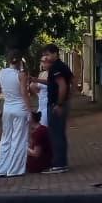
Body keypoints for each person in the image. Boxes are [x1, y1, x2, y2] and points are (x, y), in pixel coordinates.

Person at [0, 50, 31, 177]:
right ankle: (14, 170)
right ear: (20, 61)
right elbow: (24, 93)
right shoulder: (21, 75)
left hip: (7, 108)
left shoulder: (1, 73)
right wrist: (29, 111)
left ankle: (1, 169)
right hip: (20, 107)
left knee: (6, 138)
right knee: (19, 139)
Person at [41, 44, 74, 173]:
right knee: (59, 133)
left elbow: (62, 85)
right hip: (61, 103)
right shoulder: (63, 66)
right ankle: (61, 162)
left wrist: (59, 104)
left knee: (56, 134)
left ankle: (59, 164)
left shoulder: (56, 67)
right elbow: (72, 81)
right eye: (45, 55)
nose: (46, 57)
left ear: (55, 53)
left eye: (48, 54)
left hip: (56, 105)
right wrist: (68, 98)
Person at [29, 55, 50, 127]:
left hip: (48, 105)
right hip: (41, 104)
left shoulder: (53, 73)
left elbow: (50, 83)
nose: (43, 64)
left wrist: (37, 80)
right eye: (42, 61)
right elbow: (37, 88)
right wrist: (32, 86)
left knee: (44, 127)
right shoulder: (42, 74)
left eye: (45, 62)